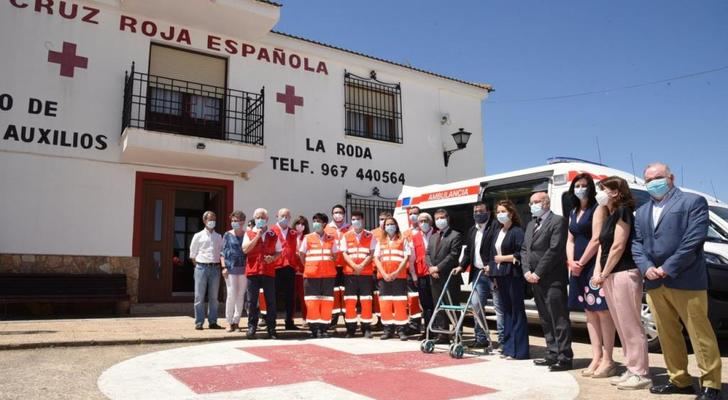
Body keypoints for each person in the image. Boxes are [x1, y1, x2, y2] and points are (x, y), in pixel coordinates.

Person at [633, 163, 722, 400]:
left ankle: (711, 383)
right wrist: (647, 267)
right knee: (667, 333)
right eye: (648, 179)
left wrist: (667, 267)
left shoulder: (693, 202)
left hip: (685, 278)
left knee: (699, 334)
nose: (653, 182)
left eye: (658, 177)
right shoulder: (642, 211)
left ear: (670, 177)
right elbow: (637, 243)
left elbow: (694, 239)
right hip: (654, 282)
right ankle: (679, 379)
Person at [590, 177, 651, 390]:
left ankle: (640, 372)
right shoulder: (609, 215)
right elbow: (603, 247)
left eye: (603, 189)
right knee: (621, 324)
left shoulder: (623, 211)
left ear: (615, 192)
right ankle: (631, 367)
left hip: (624, 272)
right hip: (611, 275)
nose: (600, 193)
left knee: (631, 324)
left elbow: (618, 246)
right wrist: (599, 272)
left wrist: (603, 272)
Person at [566, 173, 616, 378]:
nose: (580, 188)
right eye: (576, 185)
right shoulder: (573, 211)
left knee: (603, 311)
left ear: (590, 188)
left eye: (583, 185)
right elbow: (570, 239)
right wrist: (570, 262)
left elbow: (596, 240)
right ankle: (595, 357)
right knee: (589, 313)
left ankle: (608, 359)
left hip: (592, 266)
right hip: (576, 267)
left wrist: (581, 262)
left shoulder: (598, 209)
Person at [522, 192, 573, 371]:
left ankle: (564, 356)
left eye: (536, 202)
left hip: (552, 279)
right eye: (531, 203)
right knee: (544, 318)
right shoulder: (530, 225)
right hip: (534, 280)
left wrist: (538, 272)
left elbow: (555, 249)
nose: (533, 205)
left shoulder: (558, 221)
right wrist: (527, 271)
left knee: (558, 318)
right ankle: (551, 353)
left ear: (546, 203)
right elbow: (524, 250)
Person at [454, 202, 502, 349]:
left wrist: (492, 266)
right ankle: (481, 338)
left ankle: (503, 340)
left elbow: (497, 249)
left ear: (488, 212)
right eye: (475, 211)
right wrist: (461, 266)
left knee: (499, 308)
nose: (477, 214)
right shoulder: (472, 230)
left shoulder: (495, 227)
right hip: (478, 274)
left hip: (493, 274)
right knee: (475, 305)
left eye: (481, 211)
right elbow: (468, 252)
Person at [489, 200, 529, 360]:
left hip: (513, 275)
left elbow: (521, 253)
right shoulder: (498, 231)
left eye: (503, 211)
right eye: (498, 212)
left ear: (511, 213)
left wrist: (503, 258)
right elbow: (493, 254)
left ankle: (519, 351)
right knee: (506, 312)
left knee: (517, 311)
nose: (500, 215)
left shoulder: (517, 231)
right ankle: (508, 347)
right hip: (500, 275)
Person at [242, 208, 281, 339]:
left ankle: (272, 329)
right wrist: (257, 236)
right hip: (253, 271)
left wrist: (273, 258)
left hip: (268, 272)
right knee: (252, 301)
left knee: (271, 301)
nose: (260, 220)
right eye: (258, 217)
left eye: (262, 218)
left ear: (267, 220)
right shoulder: (249, 233)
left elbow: (278, 252)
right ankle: (252, 327)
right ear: (254, 219)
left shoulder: (273, 235)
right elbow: (245, 249)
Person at [426, 209, 463, 344]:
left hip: (449, 277)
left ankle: (457, 333)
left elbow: (453, 256)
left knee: (452, 306)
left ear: (447, 218)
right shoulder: (433, 236)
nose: (439, 220)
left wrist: (438, 268)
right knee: (439, 305)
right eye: (437, 218)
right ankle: (442, 334)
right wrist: (431, 268)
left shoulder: (455, 235)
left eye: (442, 217)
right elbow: (427, 254)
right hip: (434, 277)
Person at [299, 213, 339, 338]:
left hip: (328, 275)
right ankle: (314, 329)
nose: (316, 223)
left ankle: (324, 328)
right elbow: (301, 255)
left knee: (326, 302)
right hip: (311, 276)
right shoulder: (308, 238)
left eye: (318, 221)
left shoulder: (331, 239)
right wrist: (310, 266)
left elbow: (335, 255)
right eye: (314, 221)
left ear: (324, 224)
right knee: (312, 302)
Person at [340, 210, 377, 338]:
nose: (355, 221)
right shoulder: (346, 236)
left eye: (358, 219)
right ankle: (351, 328)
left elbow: (371, 253)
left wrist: (361, 266)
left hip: (365, 273)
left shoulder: (370, 235)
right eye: (353, 219)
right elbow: (344, 253)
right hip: (350, 273)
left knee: (366, 300)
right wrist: (354, 266)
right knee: (350, 301)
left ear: (363, 220)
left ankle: (366, 328)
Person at [374, 217, 411, 340]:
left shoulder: (402, 239)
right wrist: (384, 273)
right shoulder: (381, 241)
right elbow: (376, 258)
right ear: (384, 227)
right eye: (387, 224)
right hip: (384, 277)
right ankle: (387, 330)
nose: (390, 226)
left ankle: (401, 330)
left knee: (400, 303)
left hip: (398, 277)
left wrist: (396, 272)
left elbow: (406, 257)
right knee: (385, 303)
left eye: (392, 224)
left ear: (396, 225)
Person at [189, 210, 224, 330]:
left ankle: (213, 321)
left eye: (214, 219)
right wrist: (199, 265)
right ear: (204, 221)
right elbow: (192, 255)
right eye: (210, 219)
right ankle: (199, 322)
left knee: (214, 297)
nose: (212, 222)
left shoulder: (219, 236)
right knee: (199, 296)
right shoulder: (198, 236)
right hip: (201, 267)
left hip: (215, 268)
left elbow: (222, 253)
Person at [271, 208, 300, 331]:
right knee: (274, 295)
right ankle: (271, 321)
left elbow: (295, 250)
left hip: (290, 267)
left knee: (290, 296)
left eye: (287, 216)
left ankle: (289, 321)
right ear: (277, 216)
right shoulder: (271, 231)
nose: (285, 218)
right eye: (282, 215)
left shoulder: (293, 233)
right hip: (275, 267)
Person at [410, 212, 437, 340]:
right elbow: (412, 259)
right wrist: (414, 276)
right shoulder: (414, 237)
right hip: (421, 275)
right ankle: (428, 331)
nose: (423, 223)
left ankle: (439, 331)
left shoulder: (438, 234)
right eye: (420, 221)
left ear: (431, 222)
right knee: (426, 306)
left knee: (437, 303)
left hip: (436, 275)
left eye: (425, 220)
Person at [221, 210, 248, 333]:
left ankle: (236, 321)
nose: (233, 222)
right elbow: (222, 253)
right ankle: (228, 321)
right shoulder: (227, 234)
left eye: (236, 220)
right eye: (232, 220)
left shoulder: (247, 235)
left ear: (242, 221)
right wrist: (224, 267)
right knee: (231, 294)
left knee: (240, 294)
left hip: (243, 269)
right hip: (230, 269)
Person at [325, 204, 350, 332]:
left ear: (344, 214)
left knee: (346, 294)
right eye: (335, 212)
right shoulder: (327, 229)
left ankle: (348, 321)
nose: (338, 214)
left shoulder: (350, 229)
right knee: (333, 294)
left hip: (346, 266)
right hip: (332, 267)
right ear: (332, 214)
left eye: (340, 212)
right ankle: (333, 321)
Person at [402, 206, 424, 336]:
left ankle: (428, 324)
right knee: (413, 298)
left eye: (416, 213)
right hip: (410, 271)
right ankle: (414, 324)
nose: (413, 216)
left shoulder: (425, 230)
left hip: (423, 270)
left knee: (426, 299)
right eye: (411, 214)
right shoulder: (406, 233)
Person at [293, 216, 310, 323]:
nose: (300, 226)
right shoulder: (291, 236)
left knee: (304, 297)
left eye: (303, 224)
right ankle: (290, 319)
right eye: (298, 223)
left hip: (304, 270)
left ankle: (305, 318)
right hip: (292, 270)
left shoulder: (308, 237)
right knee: (292, 297)